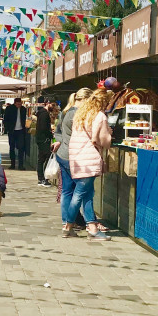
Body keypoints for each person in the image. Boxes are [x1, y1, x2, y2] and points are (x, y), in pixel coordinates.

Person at [66, 89, 112, 240]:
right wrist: (110, 134)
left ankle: (92, 227)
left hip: (77, 158)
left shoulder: (81, 115)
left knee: (87, 194)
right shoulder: (99, 116)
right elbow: (103, 140)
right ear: (103, 102)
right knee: (79, 194)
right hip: (89, 158)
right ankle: (67, 225)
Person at [54, 88, 90, 236]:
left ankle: (66, 223)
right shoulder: (79, 114)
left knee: (66, 191)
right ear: (85, 99)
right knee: (80, 192)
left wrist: (61, 142)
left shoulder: (65, 112)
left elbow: (58, 132)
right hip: (75, 156)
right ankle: (74, 223)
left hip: (62, 154)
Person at [3, 97, 28, 170]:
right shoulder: (9, 108)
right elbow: (6, 119)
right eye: (18, 104)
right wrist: (7, 128)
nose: (19, 105)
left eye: (20, 104)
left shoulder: (23, 109)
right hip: (12, 130)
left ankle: (21, 165)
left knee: (21, 147)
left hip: (20, 130)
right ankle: (12, 164)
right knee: (12, 147)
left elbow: (23, 119)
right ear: (15, 103)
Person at [34, 96, 53, 187]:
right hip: (43, 139)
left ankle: (41, 178)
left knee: (41, 159)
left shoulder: (42, 113)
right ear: (47, 103)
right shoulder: (44, 114)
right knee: (47, 158)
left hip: (40, 139)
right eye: (52, 104)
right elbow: (43, 128)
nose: (54, 107)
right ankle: (44, 179)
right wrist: (50, 133)